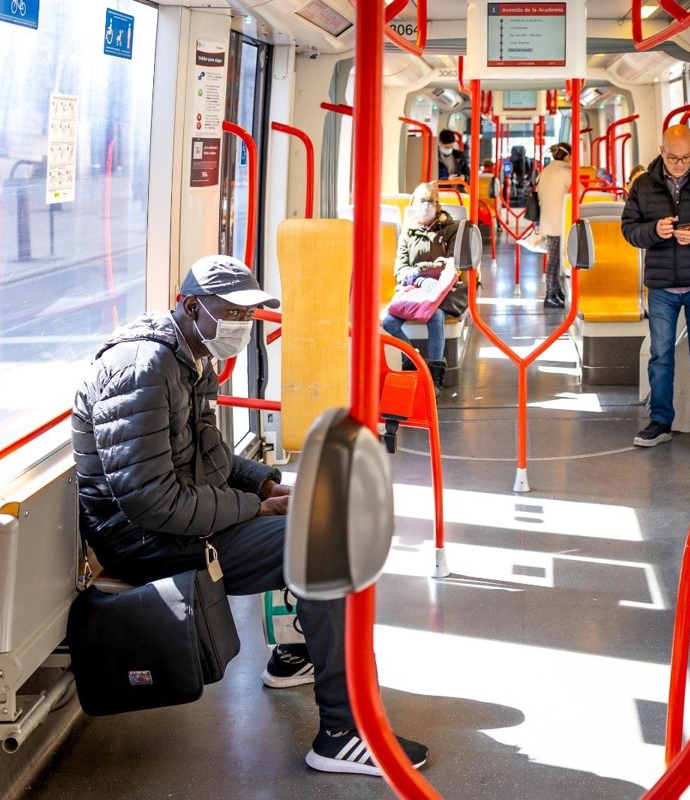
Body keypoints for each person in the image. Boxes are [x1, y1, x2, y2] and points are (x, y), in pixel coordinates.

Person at [72, 254, 428, 775]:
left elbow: (209, 452)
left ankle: (297, 654)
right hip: (145, 541)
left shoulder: (189, 358)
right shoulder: (144, 370)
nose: (242, 325)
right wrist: (255, 507)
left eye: (248, 315)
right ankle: (345, 731)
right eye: (232, 313)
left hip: (177, 521)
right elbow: (150, 501)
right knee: (329, 549)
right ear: (191, 307)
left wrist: (267, 483)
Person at [620, 124, 690, 455]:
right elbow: (628, 230)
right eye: (673, 158)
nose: (679, 164)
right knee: (661, 356)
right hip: (661, 286)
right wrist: (653, 230)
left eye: (686, 158)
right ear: (662, 152)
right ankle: (660, 421)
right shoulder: (643, 185)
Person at [383, 183, 460, 392]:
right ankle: (413, 360)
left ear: (438, 204)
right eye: (422, 201)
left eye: (430, 201)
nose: (426, 206)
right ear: (414, 204)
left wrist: (429, 276)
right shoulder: (408, 233)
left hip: (441, 290)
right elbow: (400, 269)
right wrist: (420, 278)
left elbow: (450, 264)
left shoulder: (450, 229)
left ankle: (435, 375)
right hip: (413, 288)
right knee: (388, 323)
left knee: (435, 315)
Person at [536, 142, 573, 308]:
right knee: (555, 261)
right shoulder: (567, 172)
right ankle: (550, 295)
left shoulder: (546, 171)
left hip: (548, 220)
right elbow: (578, 191)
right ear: (568, 157)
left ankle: (556, 291)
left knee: (554, 259)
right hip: (561, 221)